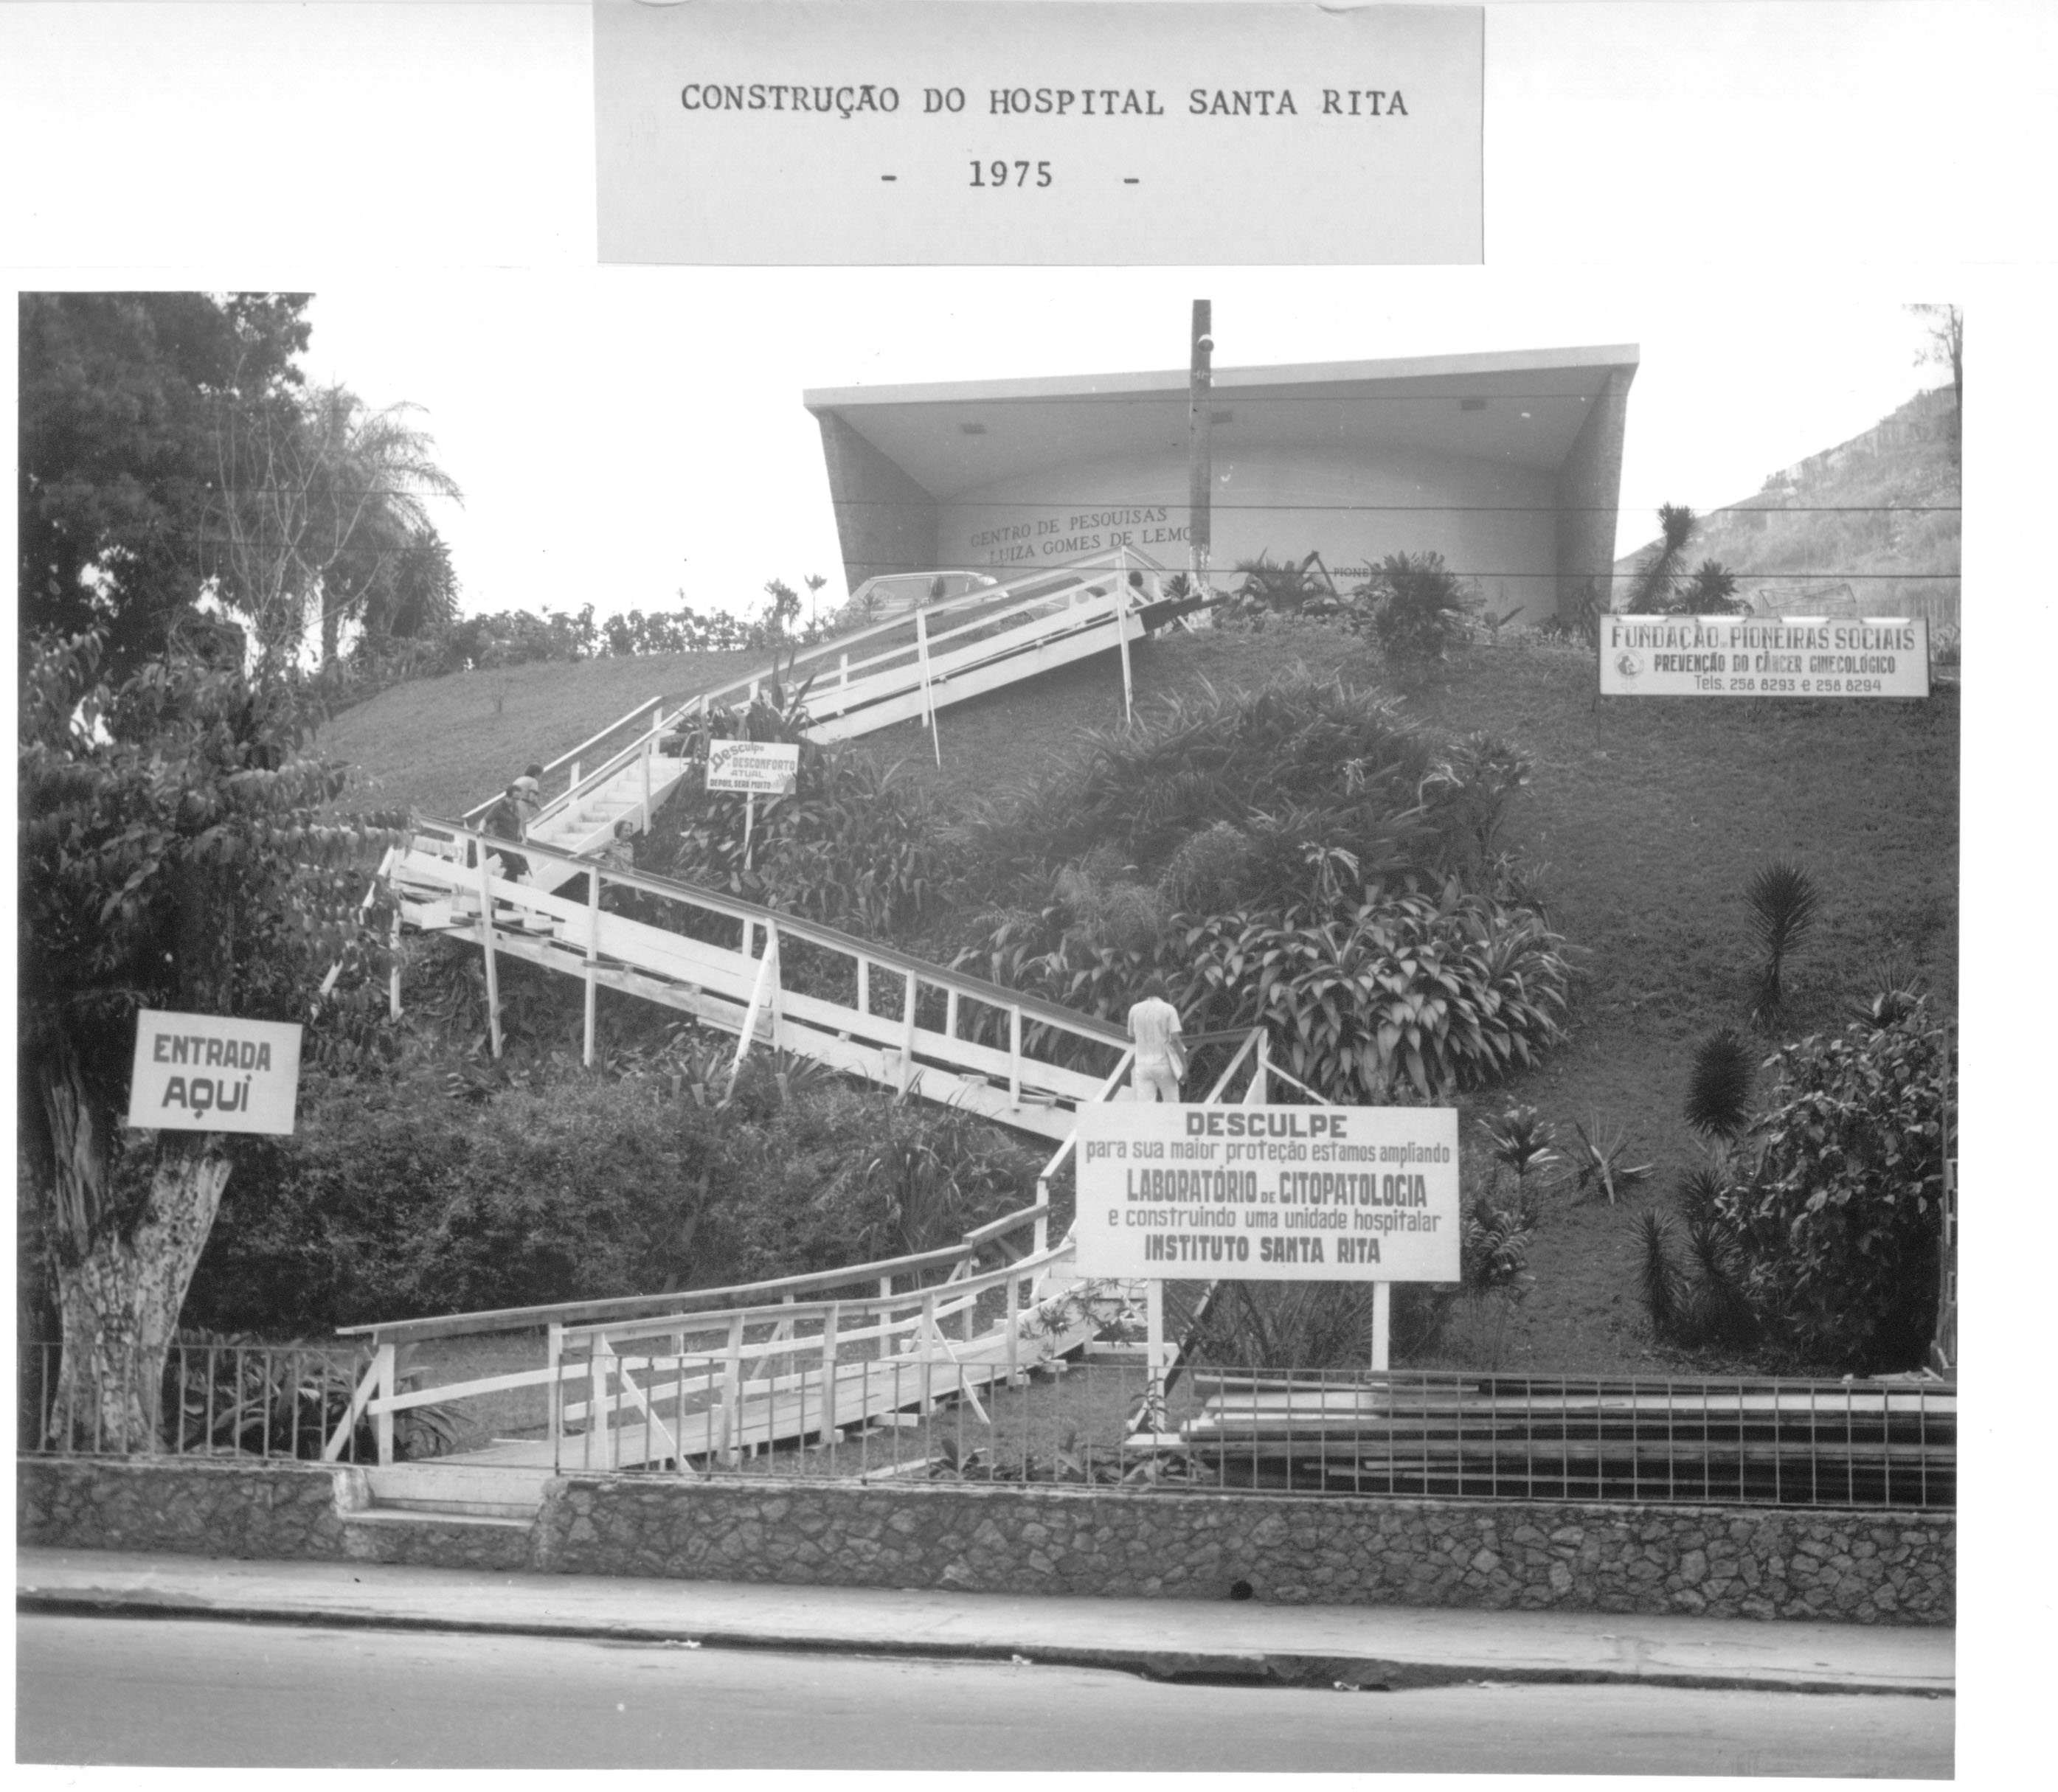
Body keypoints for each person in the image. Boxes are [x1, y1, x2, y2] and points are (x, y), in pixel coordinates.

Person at [1126, 976, 1187, 1103]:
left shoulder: (1134, 1009)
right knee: (1171, 1104)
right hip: (1164, 1064)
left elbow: (1131, 1037)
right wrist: (1184, 1066)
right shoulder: (1169, 1009)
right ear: (1163, 992)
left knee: (1146, 1108)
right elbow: (1175, 1040)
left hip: (1142, 1065)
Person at [477, 784, 530, 883]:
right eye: (514, 799)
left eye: (518, 799)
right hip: (501, 842)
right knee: (514, 865)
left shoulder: (515, 807)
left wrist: (523, 838)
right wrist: (481, 829)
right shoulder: (499, 807)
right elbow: (485, 820)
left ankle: (508, 889)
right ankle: (501, 888)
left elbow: (518, 823)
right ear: (507, 796)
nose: (516, 801)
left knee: (517, 868)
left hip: (514, 842)